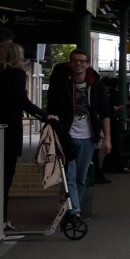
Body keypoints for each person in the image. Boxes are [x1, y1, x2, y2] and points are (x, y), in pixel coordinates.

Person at [0, 41, 57, 229]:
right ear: (16, 57)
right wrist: (45, 116)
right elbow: (21, 100)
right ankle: (0, 222)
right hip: (8, 132)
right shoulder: (16, 75)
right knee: (5, 179)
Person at [47, 49, 111, 221]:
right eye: (75, 61)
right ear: (70, 63)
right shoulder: (63, 85)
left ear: (87, 64)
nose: (78, 64)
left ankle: (70, 207)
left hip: (88, 138)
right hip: (67, 137)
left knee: (81, 178)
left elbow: (105, 112)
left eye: (82, 61)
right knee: (70, 177)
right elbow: (52, 108)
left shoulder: (95, 86)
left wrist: (107, 138)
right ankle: (74, 212)